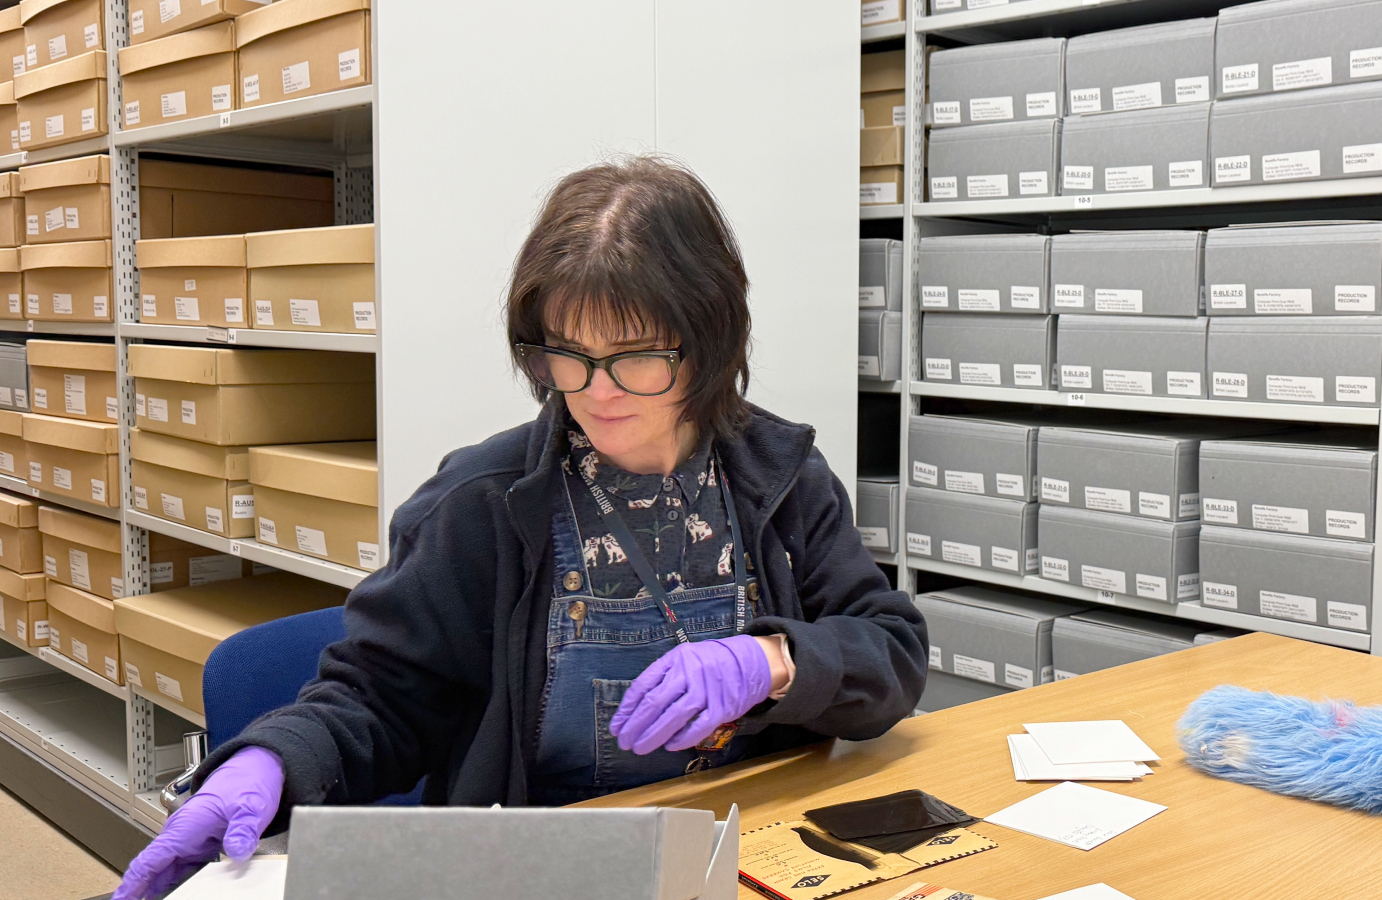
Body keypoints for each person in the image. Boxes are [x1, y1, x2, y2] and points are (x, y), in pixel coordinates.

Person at [113, 157, 928, 900]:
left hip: (760, 851)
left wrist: (774, 659)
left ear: (709, 342)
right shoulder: (481, 501)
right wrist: (273, 758)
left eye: (636, 355)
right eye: (568, 353)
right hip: (548, 867)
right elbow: (380, 699)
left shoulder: (776, 477)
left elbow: (890, 648)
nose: (596, 391)